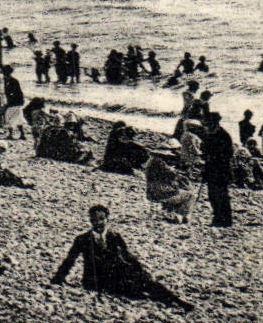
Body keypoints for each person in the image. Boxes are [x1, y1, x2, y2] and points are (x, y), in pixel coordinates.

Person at [51, 204, 192, 310]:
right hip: (96, 281)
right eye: (94, 219)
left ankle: (177, 302)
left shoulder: (115, 236)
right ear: (90, 220)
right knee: (138, 291)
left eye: (101, 219)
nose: (98, 223)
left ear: (107, 219)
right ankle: (166, 301)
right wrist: (58, 278)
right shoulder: (82, 239)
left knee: (146, 281)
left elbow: (128, 256)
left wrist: (141, 270)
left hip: (117, 274)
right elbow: (70, 260)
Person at [201, 112, 234, 227]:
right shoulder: (209, 135)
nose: (207, 126)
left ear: (215, 123)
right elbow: (205, 150)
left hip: (221, 170)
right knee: (212, 195)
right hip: (211, 168)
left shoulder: (224, 136)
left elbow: (228, 154)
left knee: (221, 195)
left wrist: (213, 156)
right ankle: (218, 217)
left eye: (209, 123)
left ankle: (225, 219)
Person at [145, 144, 193, 223]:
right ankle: (181, 215)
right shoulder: (160, 163)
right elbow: (173, 174)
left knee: (180, 192)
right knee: (189, 195)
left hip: (152, 192)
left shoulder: (151, 162)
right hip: (162, 194)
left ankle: (178, 215)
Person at [1, 64, 27, 140]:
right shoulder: (10, 80)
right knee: (18, 118)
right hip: (16, 102)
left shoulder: (11, 81)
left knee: (9, 116)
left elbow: (16, 92)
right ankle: (22, 134)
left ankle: (11, 134)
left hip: (13, 102)